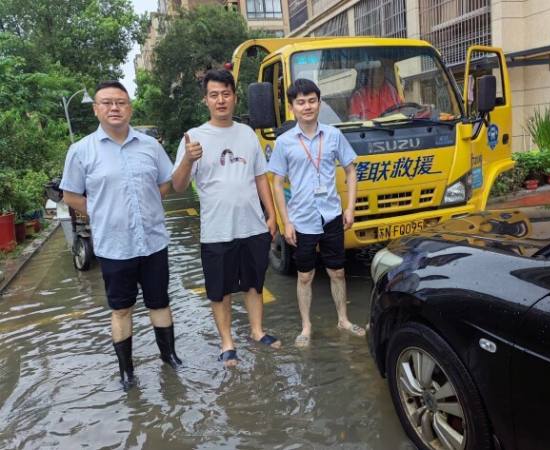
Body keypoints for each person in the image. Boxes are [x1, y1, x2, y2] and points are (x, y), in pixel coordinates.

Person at [60, 80, 181, 389]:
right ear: (97, 109)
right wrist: (101, 213)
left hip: (153, 242)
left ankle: (170, 358)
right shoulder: (82, 151)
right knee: (121, 308)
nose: (114, 108)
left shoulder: (150, 145)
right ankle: (127, 371)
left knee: (160, 303)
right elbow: (71, 196)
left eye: (121, 102)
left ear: (129, 107)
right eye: (107, 103)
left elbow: (167, 183)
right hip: (114, 247)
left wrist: (149, 202)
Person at [171, 69, 280, 368]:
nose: (221, 100)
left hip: (253, 226)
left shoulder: (246, 133)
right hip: (217, 231)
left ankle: (257, 332)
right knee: (219, 292)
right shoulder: (193, 138)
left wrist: (272, 215)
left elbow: (261, 177)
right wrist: (187, 160)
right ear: (205, 99)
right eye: (214, 95)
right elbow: (178, 186)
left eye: (226, 94)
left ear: (234, 96)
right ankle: (227, 342)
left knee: (254, 284)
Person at [267, 78, 365, 347]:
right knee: (305, 276)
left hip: (332, 214)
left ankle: (343, 319)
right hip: (302, 220)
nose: (307, 106)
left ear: (319, 103)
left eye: (312, 100)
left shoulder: (333, 135)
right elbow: (276, 182)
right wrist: (286, 222)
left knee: (337, 272)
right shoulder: (285, 142)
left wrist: (350, 208)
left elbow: (351, 170)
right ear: (292, 108)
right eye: (301, 102)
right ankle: (306, 327)